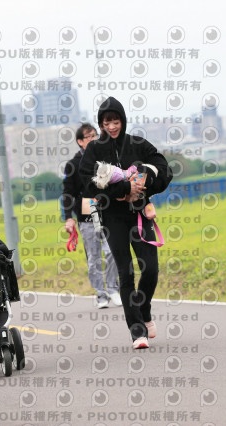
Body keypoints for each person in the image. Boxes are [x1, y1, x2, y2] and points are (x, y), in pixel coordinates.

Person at [79, 97, 172, 349]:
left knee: (150, 269)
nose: (111, 126)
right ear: (101, 124)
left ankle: (144, 308)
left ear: (123, 120)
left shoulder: (138, 144)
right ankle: (137, 330)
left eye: (116, 121)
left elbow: (164, 169)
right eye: (106, 122)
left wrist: (146, 182)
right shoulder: (94, 150)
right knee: (126, 272)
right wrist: (123, 189)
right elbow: (88, 185)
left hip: (140, 214)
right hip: (112, 218)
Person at [62, 123, 121, 309]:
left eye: (95, 135)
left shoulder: (105, 159)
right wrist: (68, 217)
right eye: (89, 137)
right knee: (93, 258)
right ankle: (101, 294)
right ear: (80, 141)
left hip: (107, 211)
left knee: (112, 251)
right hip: (86, 214)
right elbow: (67, 193)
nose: (94, 139)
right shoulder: (72, 165)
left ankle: (113, 288)